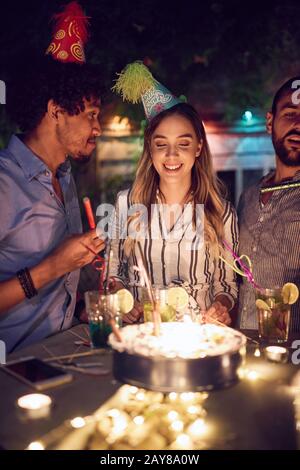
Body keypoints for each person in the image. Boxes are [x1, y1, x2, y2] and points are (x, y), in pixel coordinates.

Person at [0, 2, 105, 352]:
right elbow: (51, 269)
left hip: (64, 348)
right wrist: (52, 267)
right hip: (12, 366)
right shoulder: (4, 184)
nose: (98, 128)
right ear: (55, 111)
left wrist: (82, 307)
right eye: (91, 115)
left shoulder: (66, 177)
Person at [109, 62, 238, 325]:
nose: (171, 155)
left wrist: (220, 305)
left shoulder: (221, 212)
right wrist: (120, 295)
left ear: (198, 147)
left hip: (198, 339)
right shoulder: (127, 203)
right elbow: (113, 273)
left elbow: (226, 284)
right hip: (141, 336)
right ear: (150, 148)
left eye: (183, 144)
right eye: (161, 145)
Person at [238, 76, 300, 332]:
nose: (298, 125)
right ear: (269, 122)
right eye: (290, 114)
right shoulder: (249, 196)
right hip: (245, 347)